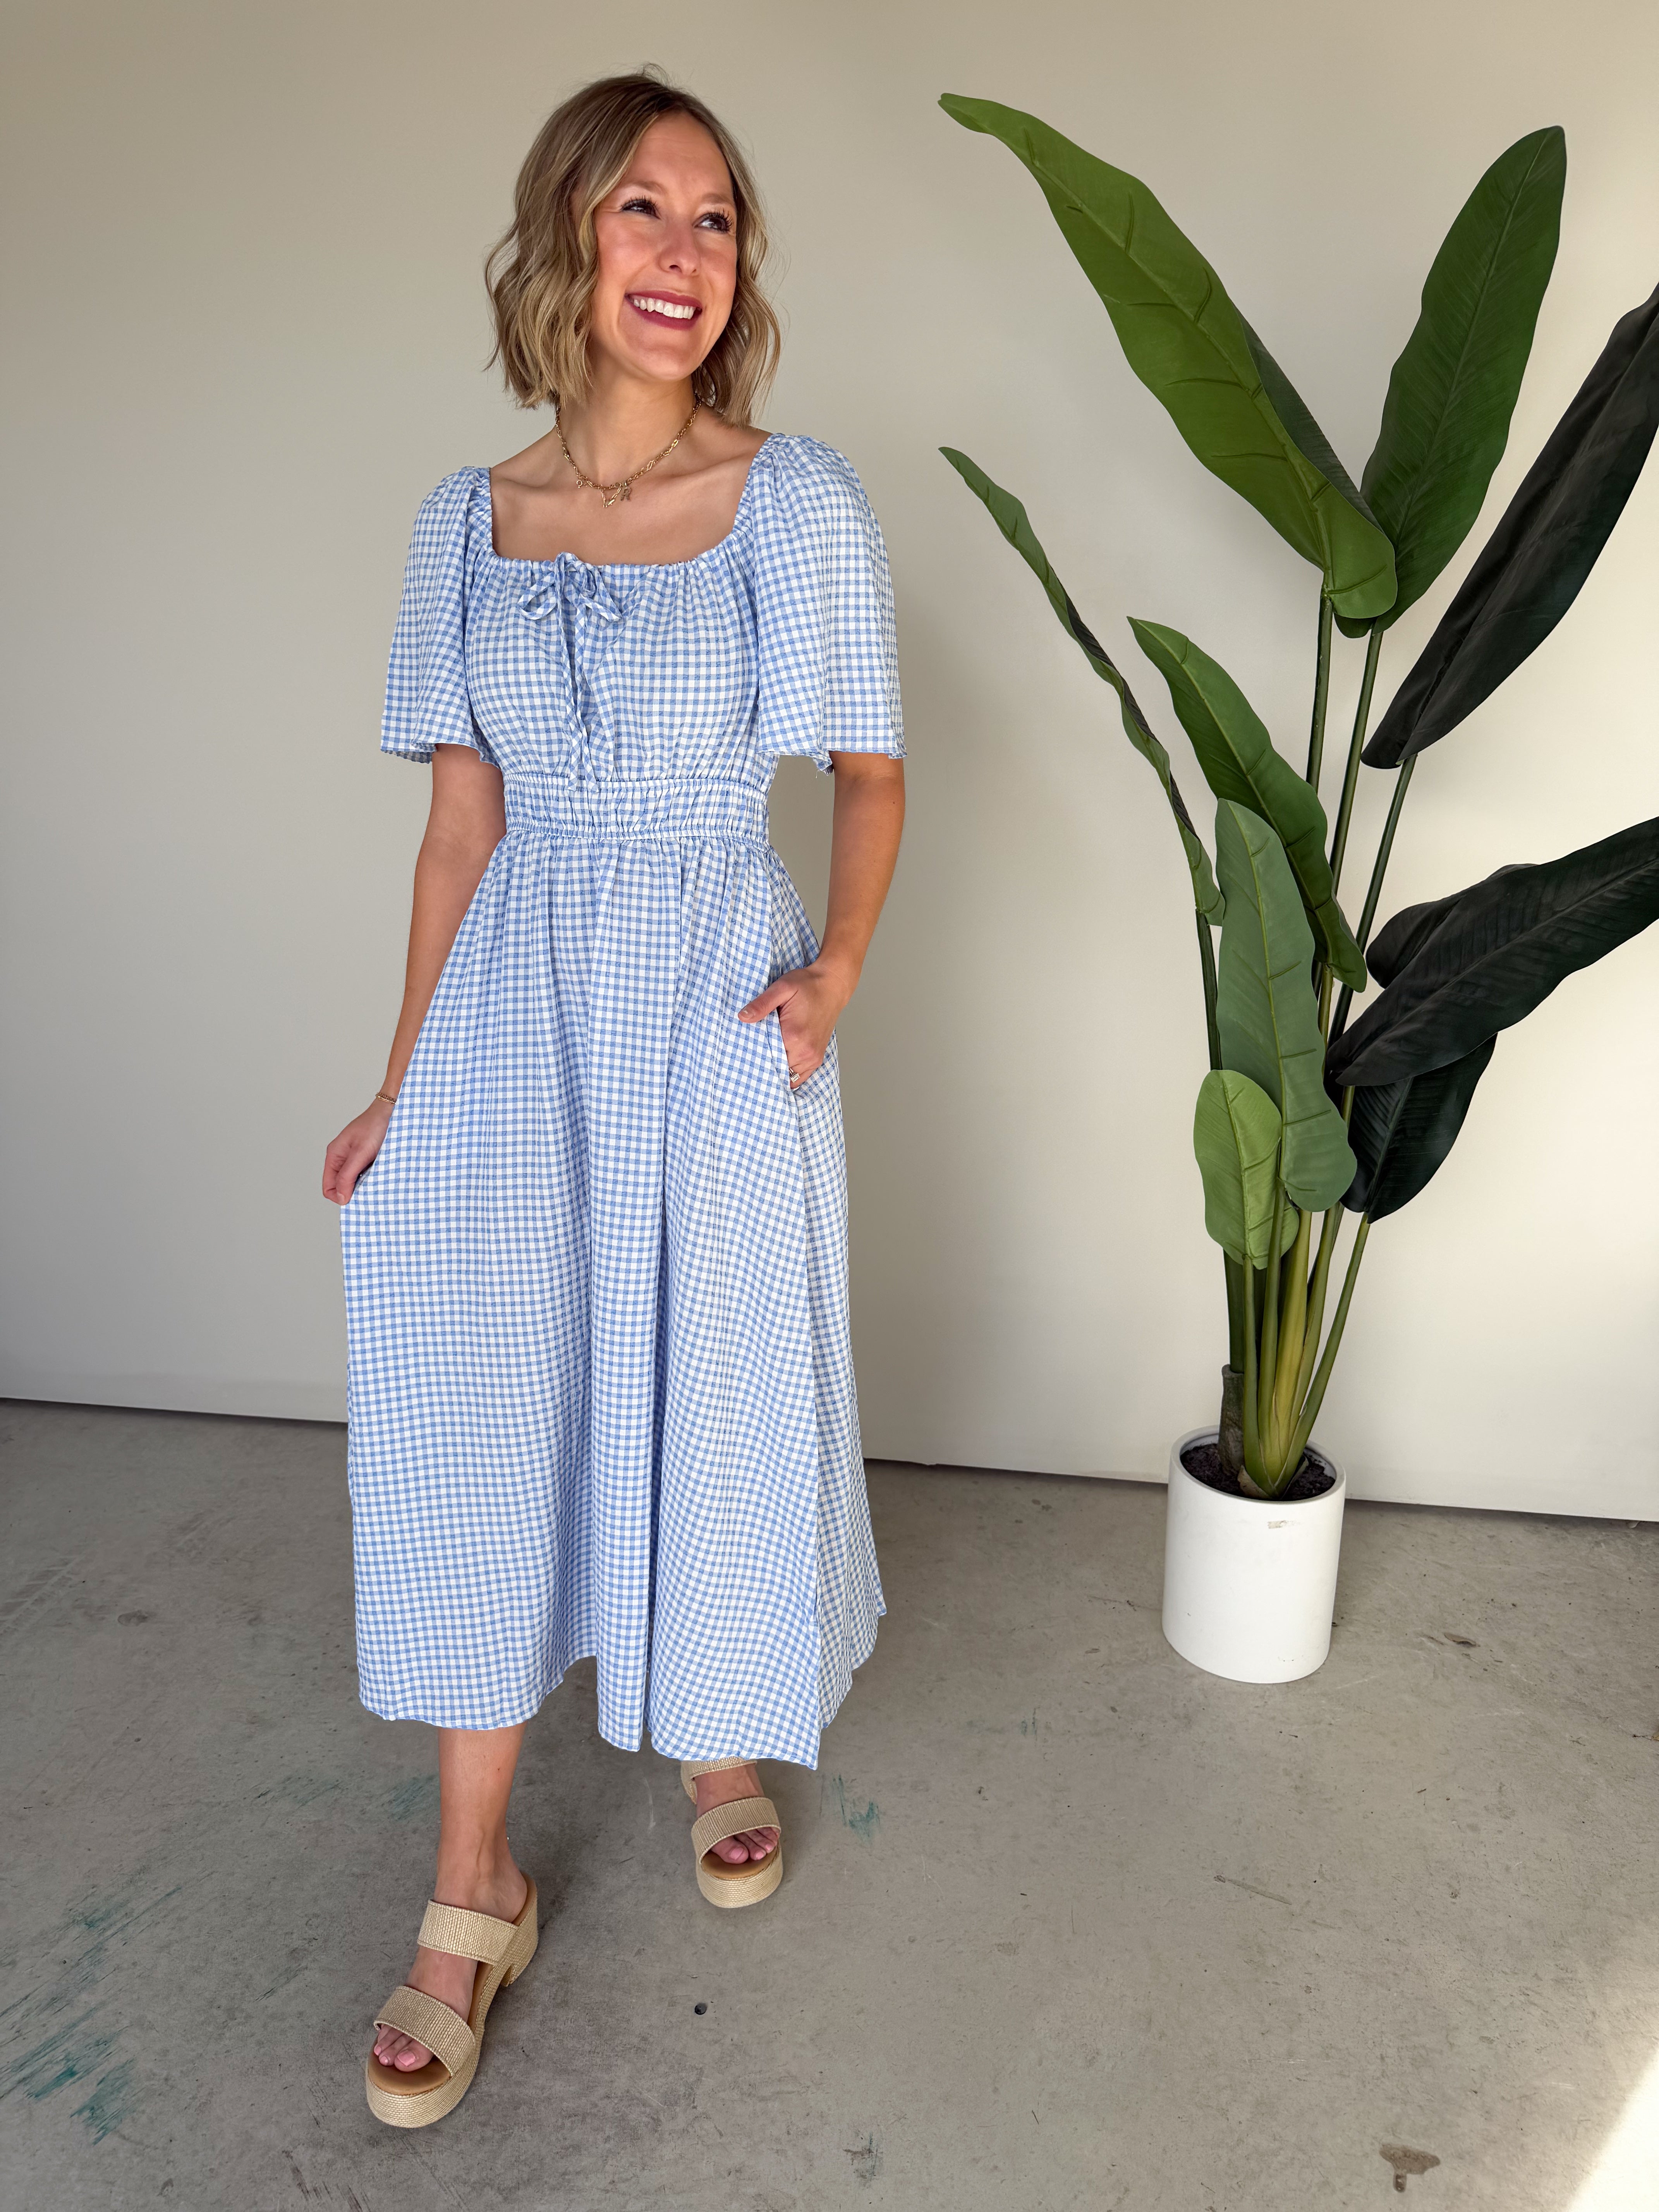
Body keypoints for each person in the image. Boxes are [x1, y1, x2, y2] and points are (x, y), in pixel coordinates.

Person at [322, 69, 905, 2127]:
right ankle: (470, 1880)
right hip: (514, 1011)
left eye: (717, 220)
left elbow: (867, 771)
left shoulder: (795, 501)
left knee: (710, 1367)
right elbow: (456, 834)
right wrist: (401, 1082)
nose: (682, 253)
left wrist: (834, 976)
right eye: (642, 208)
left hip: (709, 989)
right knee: (483, 1399)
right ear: (566, 233)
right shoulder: (461, 525)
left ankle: (717, 1727)